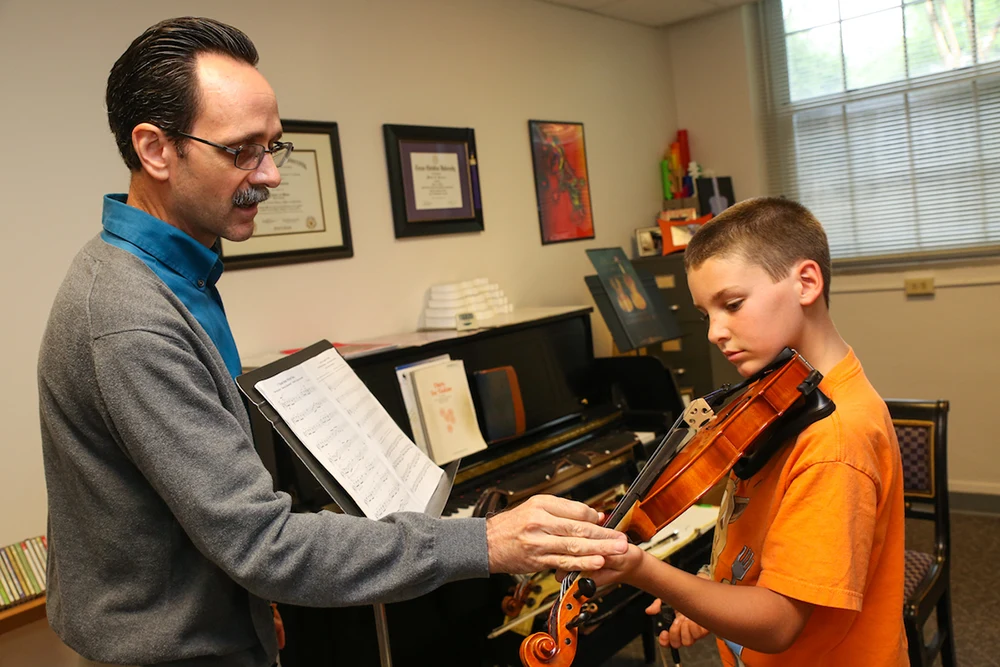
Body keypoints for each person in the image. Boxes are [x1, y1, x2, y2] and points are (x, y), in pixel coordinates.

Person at [37, 17, 626, 667]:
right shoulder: (129, 319)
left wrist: (256, 603)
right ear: (155, 150)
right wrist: (483, 542)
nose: (270, 176)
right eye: (241, 151)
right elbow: (264, 544)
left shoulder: (176, 272)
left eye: (272, 147)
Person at [585, 197, 907, 666]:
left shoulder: (835, 439)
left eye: (732, 304)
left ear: (806, 282)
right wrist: (712, 597)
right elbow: (766, 545)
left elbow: (778, 622)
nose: (715, 331)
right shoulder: (782, 396)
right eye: (705, 314)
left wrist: (642, 569)